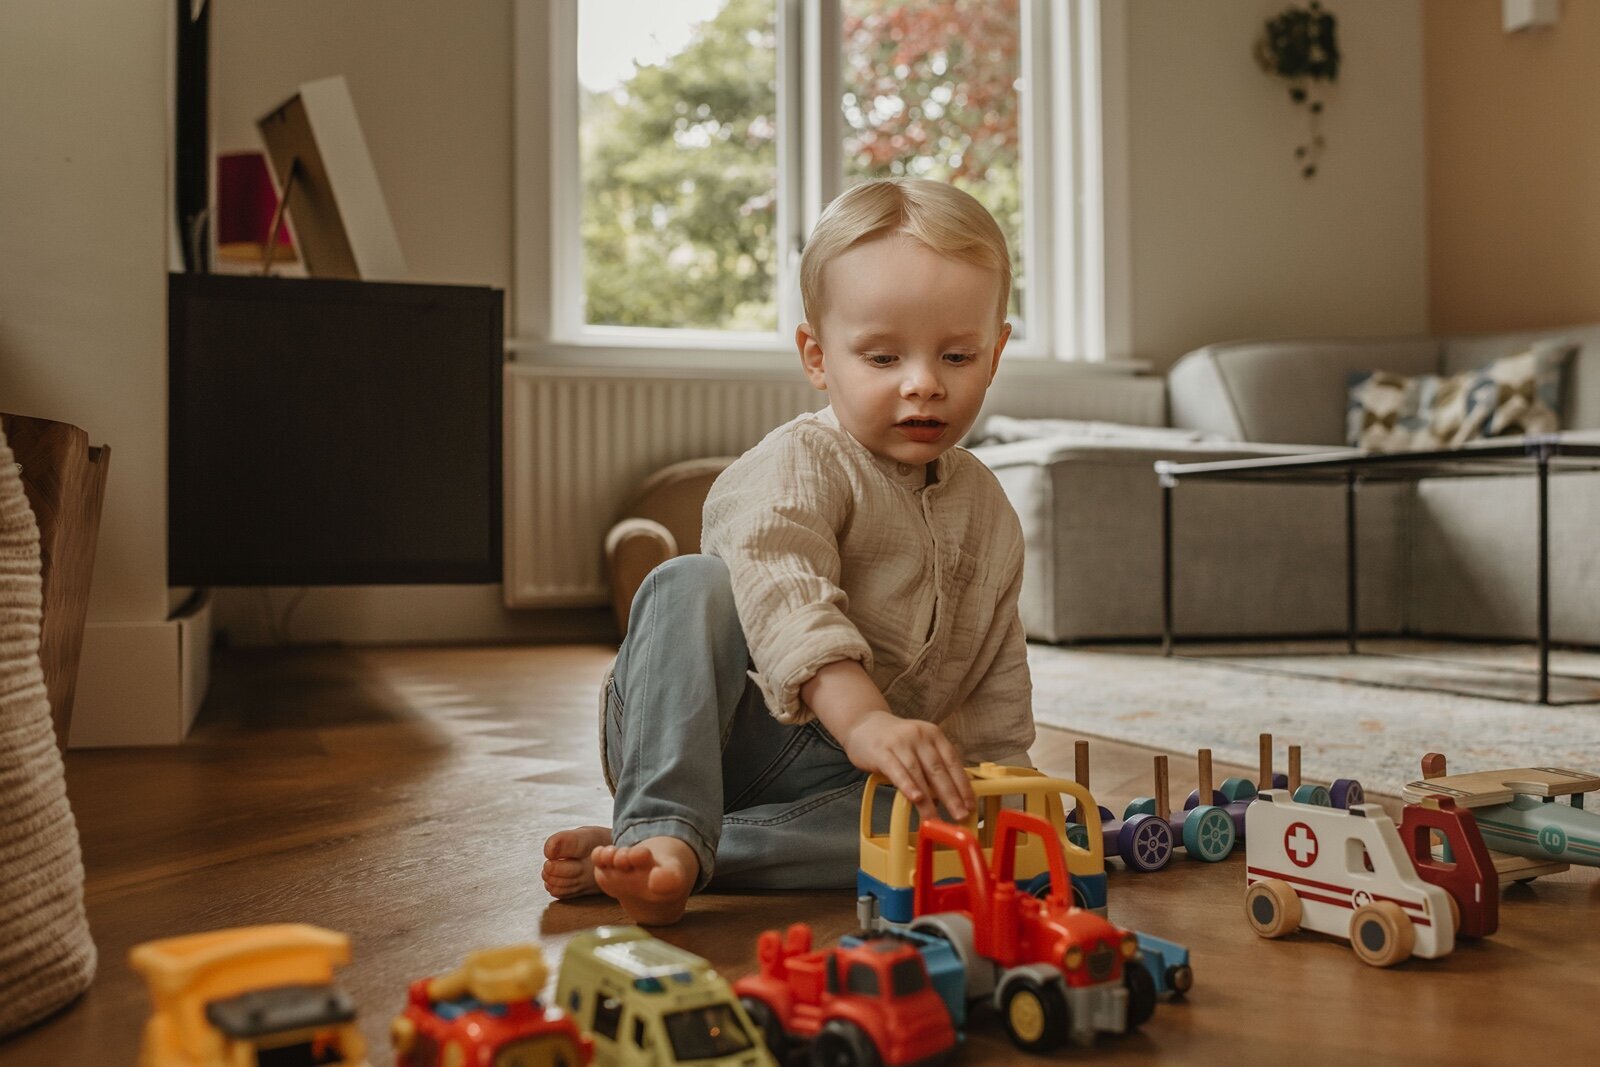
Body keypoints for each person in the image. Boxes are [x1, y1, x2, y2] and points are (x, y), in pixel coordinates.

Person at [542, 177, 1034, 925]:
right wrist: (866, 718)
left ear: (996, 354)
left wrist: (1010, 793)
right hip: (711, 725)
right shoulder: (799, 462)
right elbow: (782, 587)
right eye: (881, 357)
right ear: (817, 354)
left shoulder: (991, 510)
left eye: (958, 356)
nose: (924, 384)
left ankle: (682, 851)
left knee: (947, 833)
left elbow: (994, 669)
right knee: (690, 581)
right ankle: (665, 814)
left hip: (838, 780)